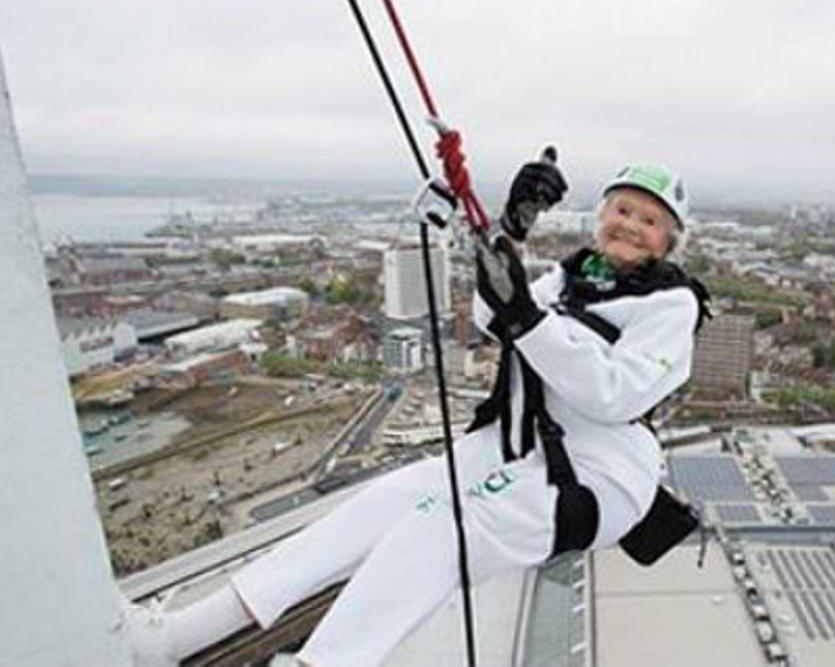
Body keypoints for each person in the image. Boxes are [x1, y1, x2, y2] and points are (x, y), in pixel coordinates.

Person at [125, 157, 707, 667]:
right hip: (513, 447)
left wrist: (528, 318)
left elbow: (614, 394)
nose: (630, 224)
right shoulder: (570, 278)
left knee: (441, 532)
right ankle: (179, 635)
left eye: (649, 219)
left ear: (668, 242)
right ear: (601, 216)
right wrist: (511, 231)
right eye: (622, 209)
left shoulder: (669, 304)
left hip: (597, 476)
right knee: (372, 509)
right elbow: (492, 316)